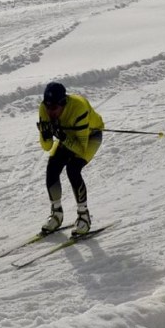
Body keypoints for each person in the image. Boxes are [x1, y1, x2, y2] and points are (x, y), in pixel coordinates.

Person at [37, 82, 104, 236]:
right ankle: (56, 214)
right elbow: (47, 147)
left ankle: (84, 216)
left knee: (73, 169)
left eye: (53, 108)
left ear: (63, 103)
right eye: (47, 107)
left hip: (90, 136)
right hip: (67, 135)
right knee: (52, 167)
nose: (50, 112)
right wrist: (46, 134)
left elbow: (81, 149)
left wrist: (62, 136)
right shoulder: (44, 110)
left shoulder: (78, 108)